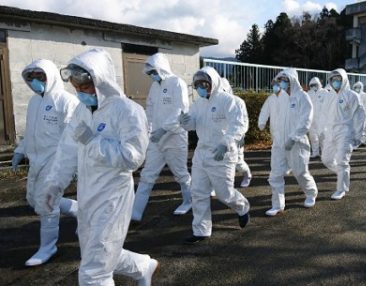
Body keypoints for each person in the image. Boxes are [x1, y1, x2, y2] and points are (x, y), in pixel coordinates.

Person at [42, 48, 158, 285]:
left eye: (85, 86)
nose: (80, 92)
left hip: (113, 197)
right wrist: (55, 184)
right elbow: (66, 151)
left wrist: (93, 142)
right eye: (76, 87)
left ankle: (141, 267)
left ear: (100, 80)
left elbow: (132, 158)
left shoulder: (127, 111)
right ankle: (143, 266)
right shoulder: (81, 111)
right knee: (101, 254)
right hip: (87, 195)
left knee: (94, 272)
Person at [12, 59, 79, 267]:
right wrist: (19, 151)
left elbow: (73, 135)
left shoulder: (66, 101)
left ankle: (48, 247)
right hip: (36, 160)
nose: (35, 82)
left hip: (56, 162)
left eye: (40, 77)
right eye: (30, 78)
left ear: (50, 76)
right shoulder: (34, 102)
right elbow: (30, 132)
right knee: (33, 200)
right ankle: (79, 210)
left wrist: (71, 165)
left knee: (47, 203)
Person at [178, 66, 250, 243]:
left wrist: (225, 144)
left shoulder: (231, 101)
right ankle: (201, 230)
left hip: (222, 155)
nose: (201, 88)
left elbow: (239, 126)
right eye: (198, 85)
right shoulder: (198, 103)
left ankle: (242, 207)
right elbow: (193, 124)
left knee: (224, 193)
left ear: (213, 82)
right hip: (202, 153)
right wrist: (184, 122)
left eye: (204, 83)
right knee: (198, 192)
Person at [131, 53, 191, 221]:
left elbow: (181, 111)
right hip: (156, 139)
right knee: (147, 174)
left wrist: (164, 129)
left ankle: (188, 201)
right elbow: (150, 109)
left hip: (175, 137)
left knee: (180, 174)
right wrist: (149, 128)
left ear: (161, 68)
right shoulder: (155, 86)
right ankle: (136, 212)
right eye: (149, 73)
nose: (152, 76)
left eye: (153, 72)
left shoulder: (177, 83)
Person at [258, 68, 318, 215]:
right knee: (275, 174)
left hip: (297, 144)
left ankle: (311, 193)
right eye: (281, 80)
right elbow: (277, 120)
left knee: (300, 172)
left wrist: (294, 137)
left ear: (292, 80)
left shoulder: (302, 97)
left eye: (285, 80)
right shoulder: (280, 98)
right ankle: (278, 205)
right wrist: (276, 138)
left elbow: (306, 120)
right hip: (279, 143)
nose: (282, 83)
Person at [317, 69, 366, 200]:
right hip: (330, 132)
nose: (336, 82)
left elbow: (360, 116)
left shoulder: (352, 95)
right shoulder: (328, 96)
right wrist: (321, 131)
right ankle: (342, 173)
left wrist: (359, 135)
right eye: (333, 79)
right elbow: (323, 115)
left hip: (345, 132)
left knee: (342, 161)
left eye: (338, 79)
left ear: (344, 79)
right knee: (326, 159)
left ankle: (341, 189)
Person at [221, 78, 252, 188]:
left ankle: (247, 175)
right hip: (221, 138)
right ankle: (216, 185)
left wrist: (240, 136)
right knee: (217, 162)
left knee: (238, 161)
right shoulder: (214, 102)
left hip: (236, 137)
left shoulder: (238, 102)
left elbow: (244, 121)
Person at [307, 77, 324, 158]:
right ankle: (315, 152)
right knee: (313, 137)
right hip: (311, 119)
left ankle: (325, 153)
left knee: (323, 137)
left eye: (315, 85)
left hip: (322, 119)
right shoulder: (308, 94)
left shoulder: (324, 93)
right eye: (312, 85)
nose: (314, 86)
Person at [352, 81, 366, 146]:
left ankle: (362, 141)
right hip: (355, 115)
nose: (357, 88)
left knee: (364, 128)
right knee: (355, 128)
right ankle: (356, 141)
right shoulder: (352, 95)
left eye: (359, 87)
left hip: (365, 115)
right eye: (356, 87)